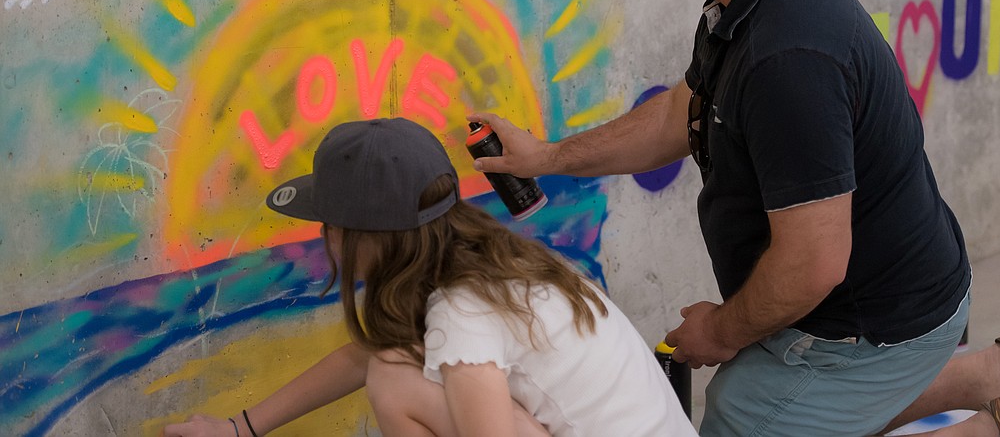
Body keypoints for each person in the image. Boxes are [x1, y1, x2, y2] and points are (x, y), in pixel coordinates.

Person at [467, 0, 1000, 437]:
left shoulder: (789, 58)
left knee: (737, 419)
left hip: (876, 323)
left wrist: (720, 331)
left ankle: (999, 431)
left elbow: (813, 264)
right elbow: (681, 113)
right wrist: (548, 157)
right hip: (894, 290)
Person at [165, 118, 698, 437]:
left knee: (395, 379)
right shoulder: (489, 257)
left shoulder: (462, 315)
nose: (322, 237)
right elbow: (372, 351)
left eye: (327, 224)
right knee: (394, 363)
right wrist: (240, 428)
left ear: (362, 236)